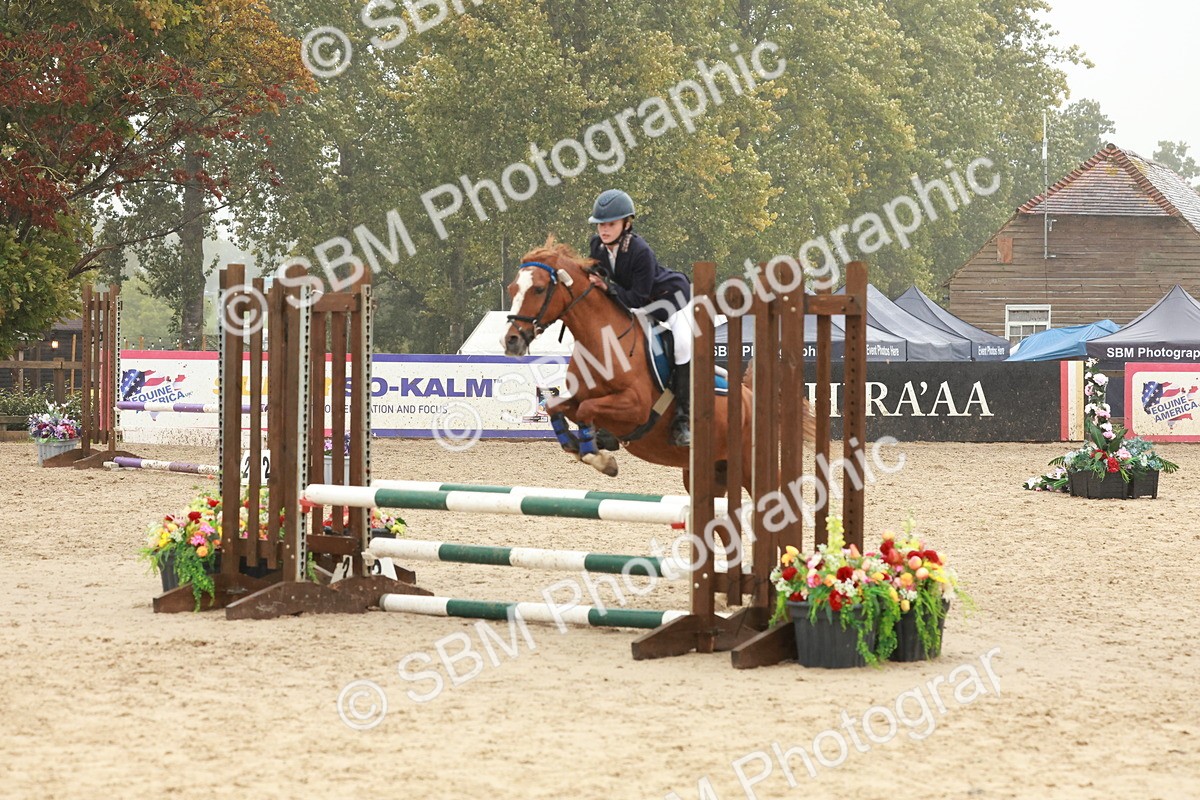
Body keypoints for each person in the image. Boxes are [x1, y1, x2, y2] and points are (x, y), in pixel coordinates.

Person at [586, 189, 694, 447]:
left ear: (627, 223)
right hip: (634, 303)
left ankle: (683, 420)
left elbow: (638, 297)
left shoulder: (640, 250)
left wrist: (607, 288)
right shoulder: (596, 246)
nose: (604, 229)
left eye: (611, 224)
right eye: (601, 224)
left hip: (671, 301)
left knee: (683, 346)